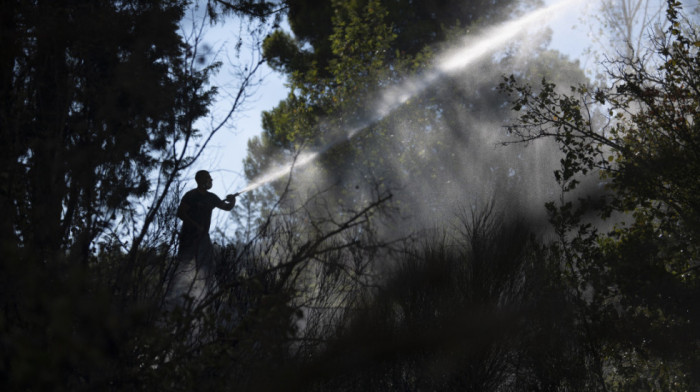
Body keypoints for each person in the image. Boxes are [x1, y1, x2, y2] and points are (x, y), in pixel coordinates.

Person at [176, 170, 237, 275]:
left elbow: (227, 207)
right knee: (183, 265)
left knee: (206, 266)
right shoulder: (191, 195)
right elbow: (181, 213)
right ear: (201, 180)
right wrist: (195, 225)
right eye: (208, 178)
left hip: (203, 237)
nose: (211, 180)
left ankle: (204, 287)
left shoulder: (211, 197)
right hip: (188, 236)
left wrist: (232, 200)